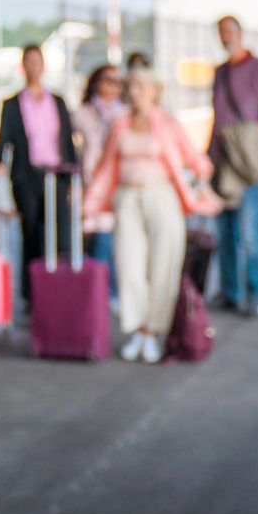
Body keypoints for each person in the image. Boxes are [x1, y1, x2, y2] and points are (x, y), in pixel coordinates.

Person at [85, 69, 215, 362]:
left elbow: (197, 161)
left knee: (162, 266)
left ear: (155, 91)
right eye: (131, 87)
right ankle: (137, 328)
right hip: (127, 197)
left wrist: (201, 187)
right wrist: (91, 201)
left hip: (162, 197)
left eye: (141, 87)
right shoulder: (119, 124)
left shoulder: (168, 124)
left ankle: (153, 331)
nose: (134, 92)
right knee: (129, 264)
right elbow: (106, 165)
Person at [206, 15, 258, 318]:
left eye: (230, 30)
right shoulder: (220, 72)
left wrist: (244, 136)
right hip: (220, 163)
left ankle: (255, 294)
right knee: (224, 234)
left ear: (240, 33)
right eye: (221, 31)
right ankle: (229, 292)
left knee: (250, 234)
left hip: (245, 164)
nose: (226, 36)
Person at [0, 44, 76, 312]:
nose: (33, 66)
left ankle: (58, 289)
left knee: (59, 232)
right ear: (23, 66)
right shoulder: (12, 104)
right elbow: (3, 138)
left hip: (56, 175)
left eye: (37, 61)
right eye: (28, 61)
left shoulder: (58, 101)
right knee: (31, 233)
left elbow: (68, 141)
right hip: (26, 177)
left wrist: (73, 176)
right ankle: (32, 296)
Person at [72, 63, 125, 278]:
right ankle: (97, 288)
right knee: (95, 235)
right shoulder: (81, 114)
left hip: (118, 182)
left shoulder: (125, 114)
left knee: (114, 237)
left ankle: (107, 289)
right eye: (108, 80)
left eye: (117, 82)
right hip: (91, 182)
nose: (113, 87)